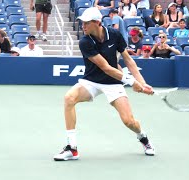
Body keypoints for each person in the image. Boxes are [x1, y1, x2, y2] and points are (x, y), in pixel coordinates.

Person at [53, 7, 155, 161]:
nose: (83, 26)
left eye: (86, 23)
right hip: (91, 81)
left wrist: (143, 83)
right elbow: (106, 67)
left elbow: (128, 60)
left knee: (129, 121)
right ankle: (71, 148)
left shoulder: (114, 35)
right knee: (69, 98)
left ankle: (143, 138)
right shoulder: (85, 42)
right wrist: (131, 81)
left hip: (113, 83)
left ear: (97, 22)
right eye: (82, 23)